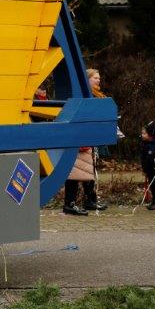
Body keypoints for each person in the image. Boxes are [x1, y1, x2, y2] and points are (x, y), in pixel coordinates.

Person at [63, 68, 109, 215]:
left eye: (99, 78)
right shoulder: (83, 96)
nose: (98, 80)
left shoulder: (96, 96)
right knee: (75, 173)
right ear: (87, 79)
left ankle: (90, 200)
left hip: (89, 138)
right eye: (95, 77)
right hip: (80, 139)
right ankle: (70, 203)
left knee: (88, 171)